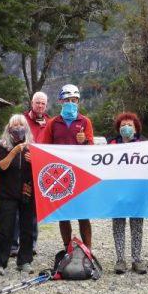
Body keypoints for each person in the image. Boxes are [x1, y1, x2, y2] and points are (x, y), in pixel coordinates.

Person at [41, 84, 95, 248]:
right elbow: (45, 147)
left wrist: (84, 141)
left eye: (74, 100)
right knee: (64, 215)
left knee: (83, 214)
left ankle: (88, 249)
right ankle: (68, 248)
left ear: (78, 101)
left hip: (80, 175)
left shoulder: (85, 121)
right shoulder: (52, 123)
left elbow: (92, 148)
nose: (71, 103)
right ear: (60, 101)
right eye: (67, 100)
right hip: (60, 175)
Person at [0, 114, 36, 276]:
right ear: (9, 129)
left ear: (26, 128)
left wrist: (35, 160)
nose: (18, 128)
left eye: (21, 125)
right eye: (15, 125)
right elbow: (1, 167)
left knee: (27, 228)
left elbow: (41, 169)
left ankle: (25, 261)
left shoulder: (33, 146)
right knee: (6, 228)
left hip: (27, 191)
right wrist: (14, 151)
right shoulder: (2, 146)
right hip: (7, 193)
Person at [11, 92, 50, 257]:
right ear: (32, 103)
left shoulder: (50, 122)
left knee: (33, 209)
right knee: (16, 210)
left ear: (46, 105)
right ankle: (13, 245)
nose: (40, 106)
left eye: (43, 103)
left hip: (38, 170)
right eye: (37, 103)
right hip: (20, 168)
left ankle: (31, 244)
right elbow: (12, 138)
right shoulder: (22, 119)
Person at [108, 112, 147, 275]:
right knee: (118, 226)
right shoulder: (111, 144)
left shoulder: (145, 145)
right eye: (123, 125)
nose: (126, 127)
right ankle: (120, 260)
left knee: (137, 226)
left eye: (130, 125)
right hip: (117, 192)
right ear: (118, 128)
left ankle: (137, 260)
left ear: (136, 128)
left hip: (137, 192)